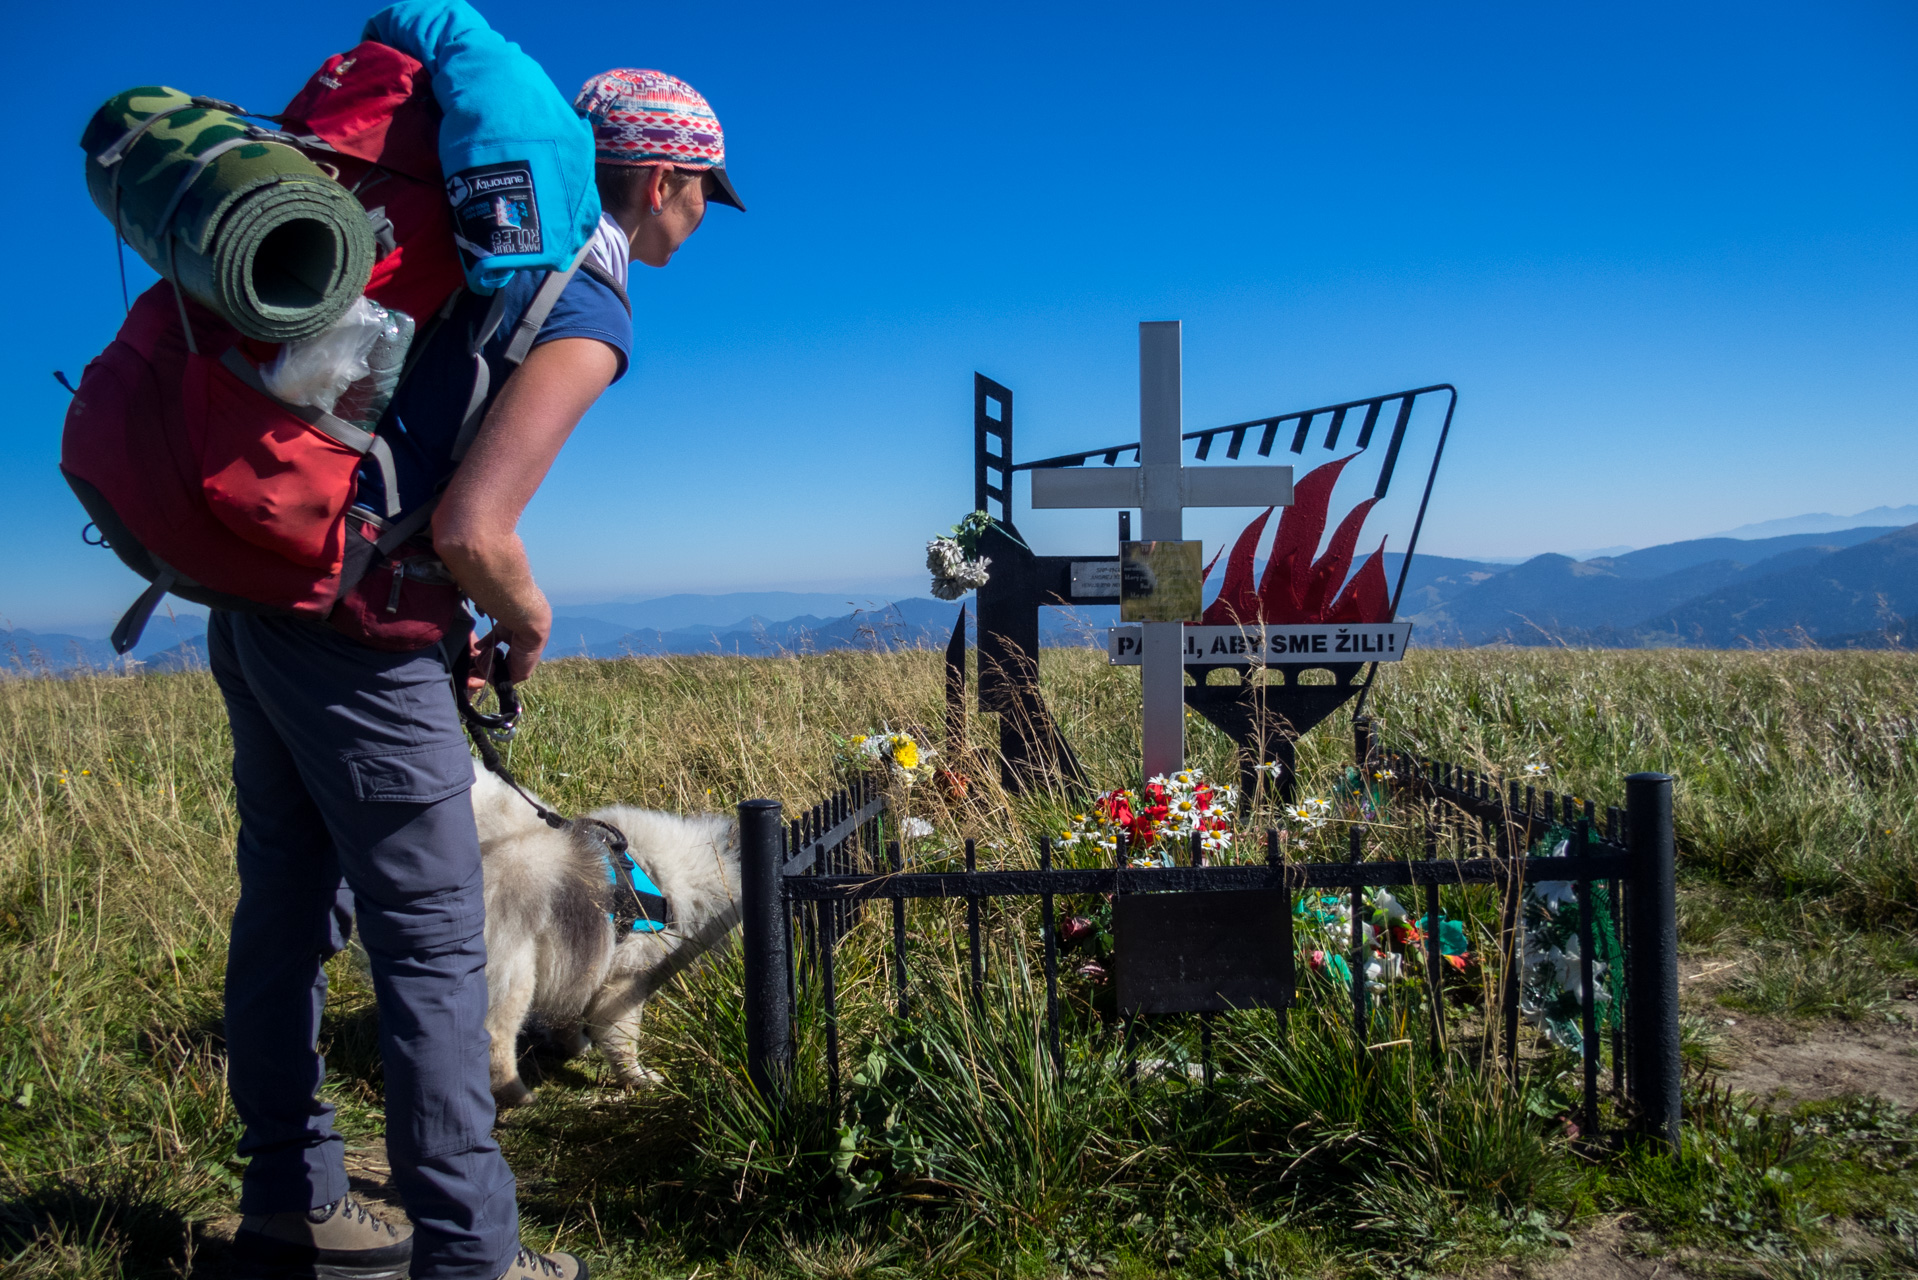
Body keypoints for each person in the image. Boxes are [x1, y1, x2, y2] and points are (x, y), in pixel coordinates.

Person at [215, 69, 742, 1280]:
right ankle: (469, 1250)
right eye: (705, 192)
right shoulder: (584, 305)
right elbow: (471, 530)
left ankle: (288, 1201)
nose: (703, 217)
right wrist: (526, 615)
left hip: (265, 598)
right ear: (661, 179)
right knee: (441, 941)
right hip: (368, 639)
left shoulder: (477, 247)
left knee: (289, 910)